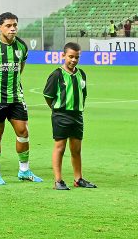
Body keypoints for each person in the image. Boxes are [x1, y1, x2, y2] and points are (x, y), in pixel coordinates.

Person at [0, 12, 42, 185]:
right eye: (8, 26)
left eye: (15, 25)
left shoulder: (21, 46)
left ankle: (24, 170)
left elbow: (20, 68)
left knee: (23, 132)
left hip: (16, 98)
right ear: (0, 27)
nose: (12, 29)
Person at [44, 42, 96, 190]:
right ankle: (58, 181)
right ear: (63, 56)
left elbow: (83, 93)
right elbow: (48, 95)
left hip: (77, 116)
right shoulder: (56, 74)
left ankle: (78, 179)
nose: (73, 60)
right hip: (61, 114)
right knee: (60, 147)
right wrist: (56, 109)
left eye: (76, 57)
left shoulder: (81, 74)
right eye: (70, 57)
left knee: (76, 149)